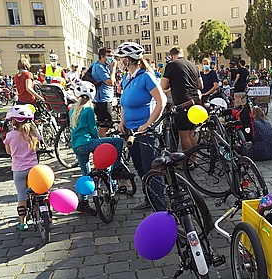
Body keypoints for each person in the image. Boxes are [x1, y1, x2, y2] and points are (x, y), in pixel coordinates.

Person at [115, 42, 167, 209]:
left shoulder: (146, 77)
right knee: (139, 166)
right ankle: (148, 198)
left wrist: (148, 124)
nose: (120, 62)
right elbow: (123, 103)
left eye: (122, 59)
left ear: (128, 60)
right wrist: (122, 121)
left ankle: (159, 204)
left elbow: (162, 101)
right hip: (130, 131)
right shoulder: (126, 78)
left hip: (146, 132)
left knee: (151, 168)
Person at [70, 81, 133, 216]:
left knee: (85, 174)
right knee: (117, 142)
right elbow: (93, 129)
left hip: (77, 146)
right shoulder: (88, 109)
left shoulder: (73, 109)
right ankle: (116, 168)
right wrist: (98, 140)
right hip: (88, 142)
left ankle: (83, 203)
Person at [3, 105, 41, 231]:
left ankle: (23, 222)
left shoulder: (10, 136)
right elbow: (38, 145)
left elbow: (9, 152)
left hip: (19, 170)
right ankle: (43, 210)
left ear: (13, 122)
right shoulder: (34, 134)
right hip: (33, 169)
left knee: (21, 196)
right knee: (39, 191)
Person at [161, 46, 202, 153]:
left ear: (172, 56)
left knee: (184, 134)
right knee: (191, 133)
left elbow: (163, 86)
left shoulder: (171, 65)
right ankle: (194, 159)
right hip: (195, 102)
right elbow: (201, 85)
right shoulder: (193, 65)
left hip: (182, 102)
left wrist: (172, 88)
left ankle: (188, 161)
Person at [92, 47, 117, 137]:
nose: (112, 58)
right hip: (102, 100)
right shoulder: (99, 67)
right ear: (102, 56)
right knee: (104, 126)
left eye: (113, 56)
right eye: (109, 56)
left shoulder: (98, 65)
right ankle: (102, 145)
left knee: (107, 124)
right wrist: (113, 68)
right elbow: (110, 82)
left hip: (104, 98)